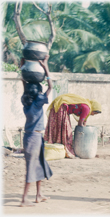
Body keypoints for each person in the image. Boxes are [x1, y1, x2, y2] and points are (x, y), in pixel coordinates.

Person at [20, 55, 53, 207]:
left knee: (39, 164)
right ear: (37, 94)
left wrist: (23, 67)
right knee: (31, 168)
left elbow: (24, 86)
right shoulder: (38, 103)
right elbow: (50, 87)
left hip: (33, 138)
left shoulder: (27, 103)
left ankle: (39, 194)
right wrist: (45, 66)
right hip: (34, 139)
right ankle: (24, 199)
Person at [44, 93, 101, 158]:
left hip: (60, 104)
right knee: (66, 130)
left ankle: (60, 148)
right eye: (94, 113)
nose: (93, 115)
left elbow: (84, 121)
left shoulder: (87, 106)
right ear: (93, 108)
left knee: (60, 129)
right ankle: (65, 150)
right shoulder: (87, 108)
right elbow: (80, 123)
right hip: (61, 107)